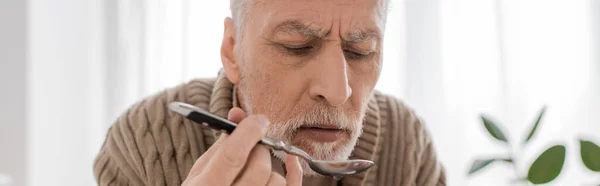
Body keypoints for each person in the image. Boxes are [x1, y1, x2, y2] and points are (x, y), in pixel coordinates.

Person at [93, 0, 446, 185]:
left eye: (361, 51)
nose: (338, 91)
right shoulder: (143, 143)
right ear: (232, 50)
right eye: (297, 46)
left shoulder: (407, 144)